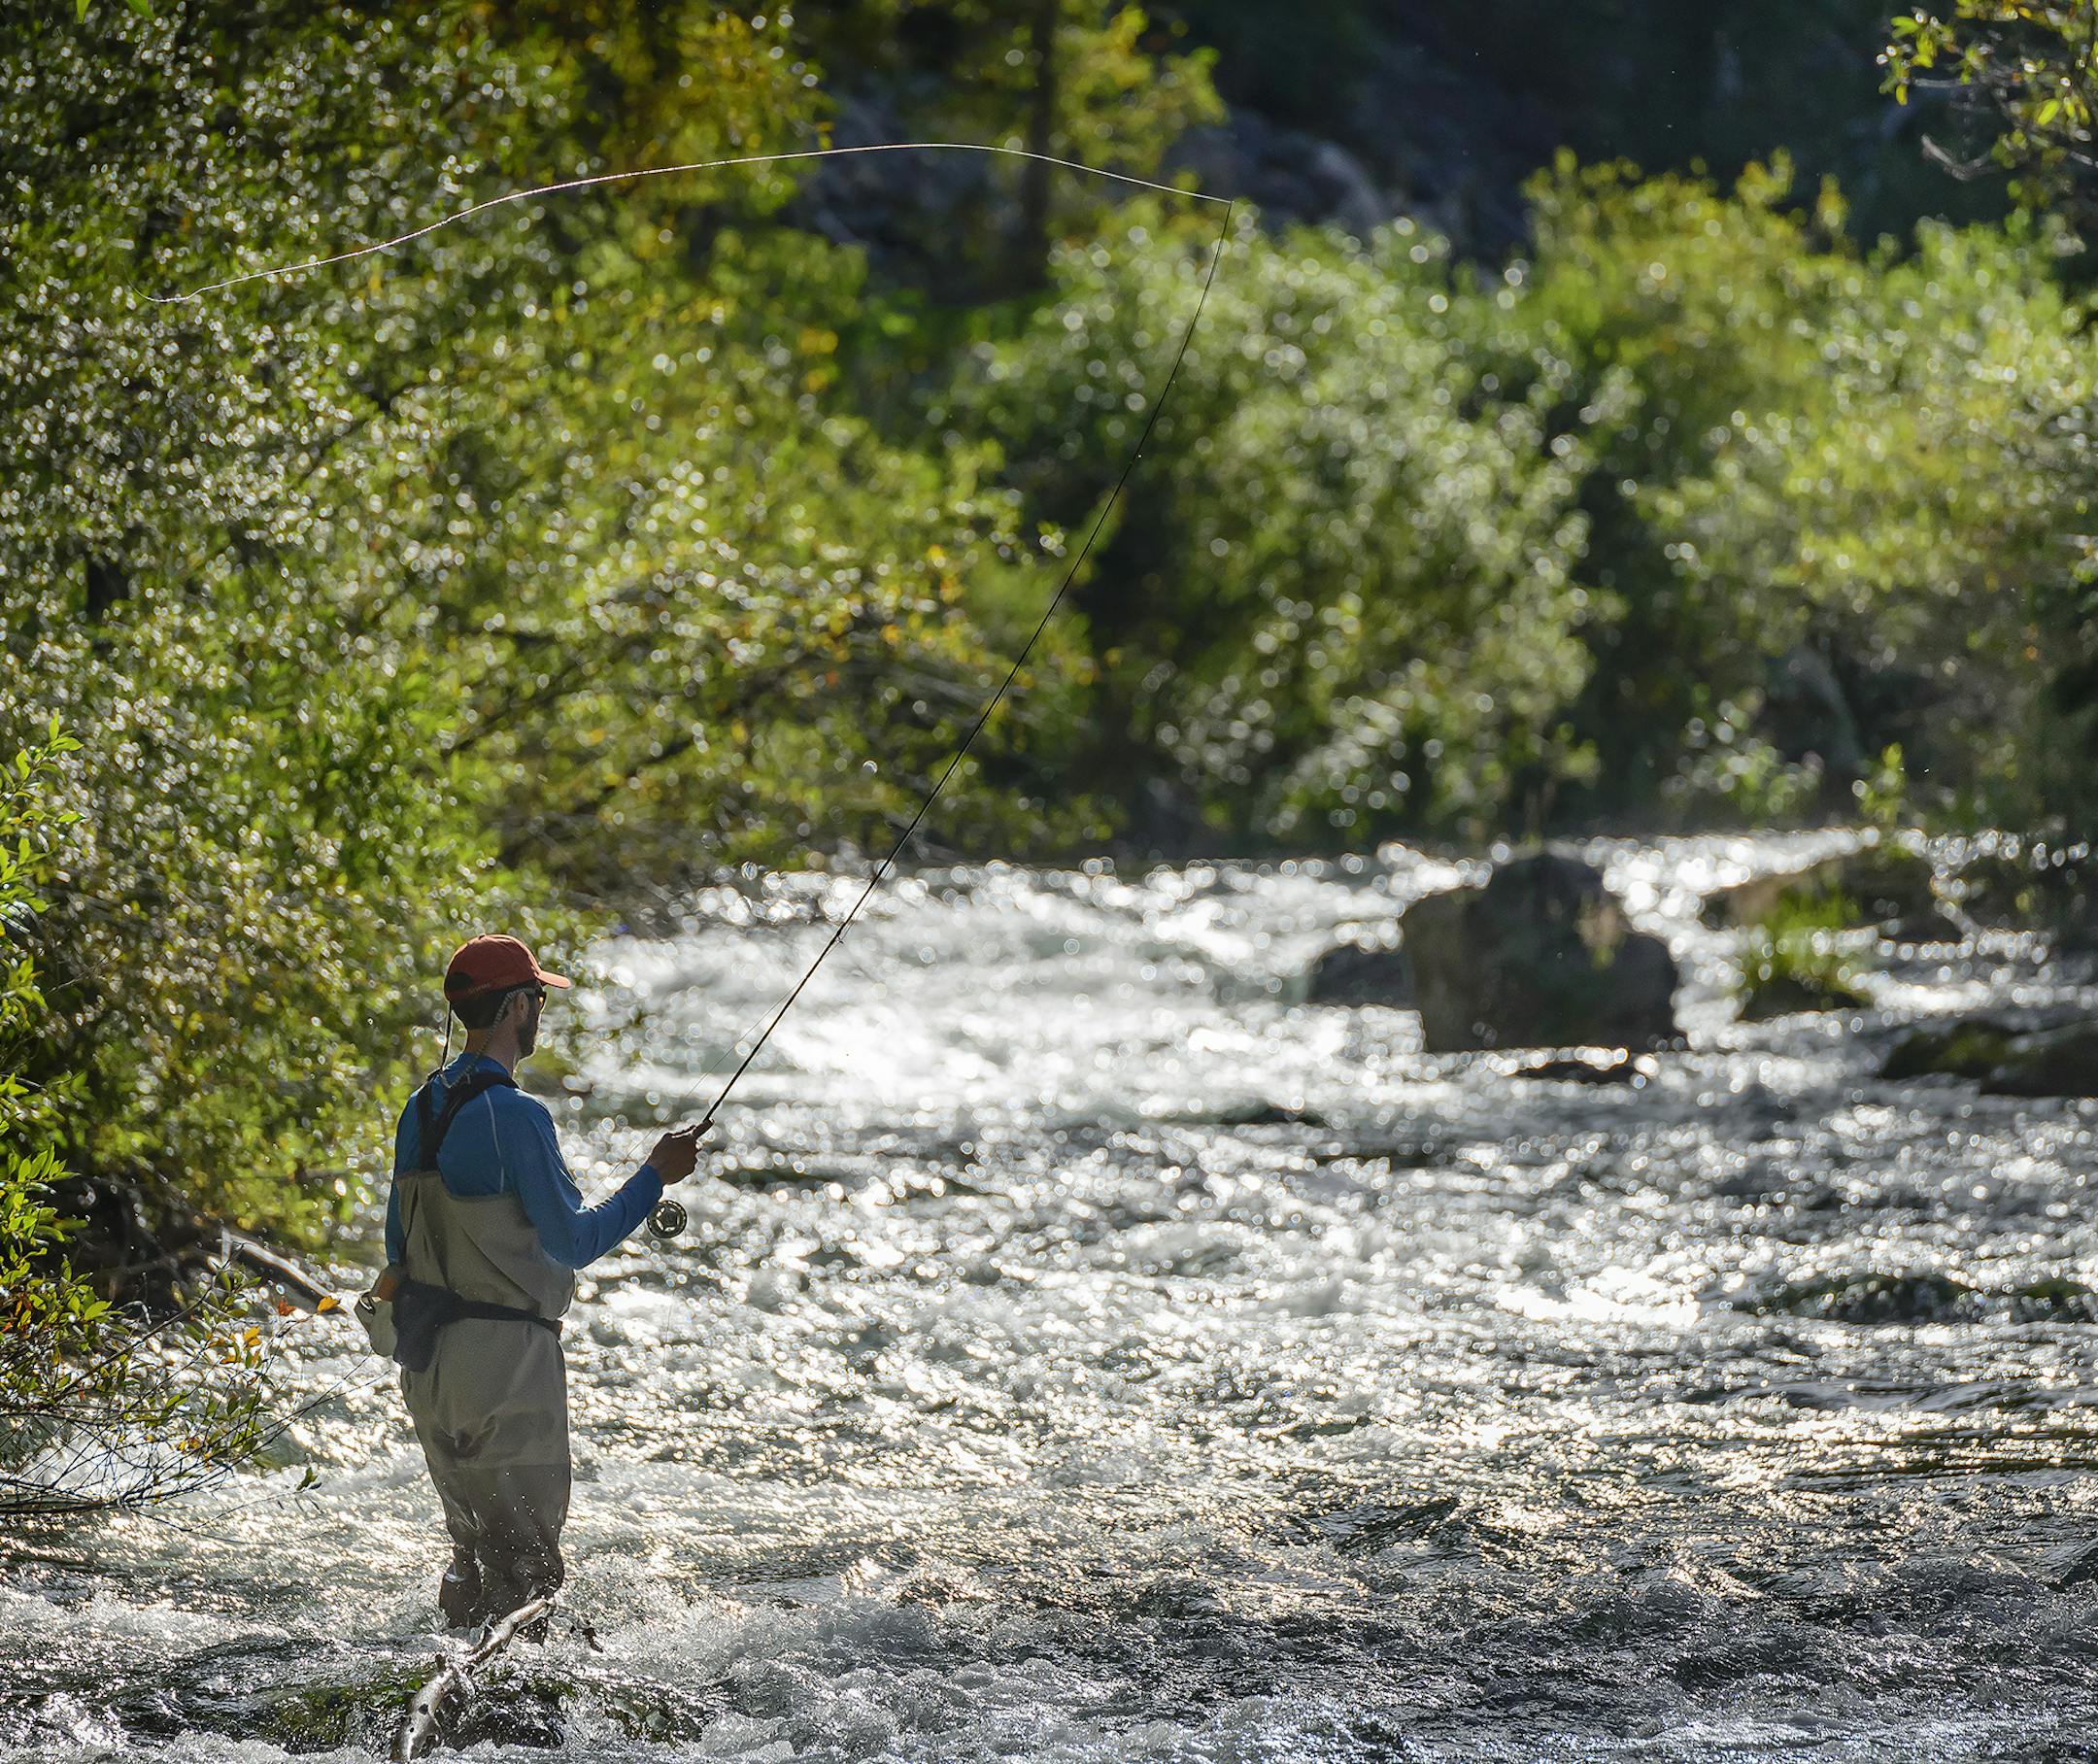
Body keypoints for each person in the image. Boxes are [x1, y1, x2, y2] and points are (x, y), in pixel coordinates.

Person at [381, 933, 702, 1630]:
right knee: (528, 1571)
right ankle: (520, 1727)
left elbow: (394, 1248)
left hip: (430, 1370)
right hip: (505, 1368)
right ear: (517, 1006)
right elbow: (574, 1241)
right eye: (537, 999)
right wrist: (656, 1176)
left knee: (470, 1556)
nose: (540, 1013)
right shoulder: (517, 1116)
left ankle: (445, 1699)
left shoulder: (419, 1110)